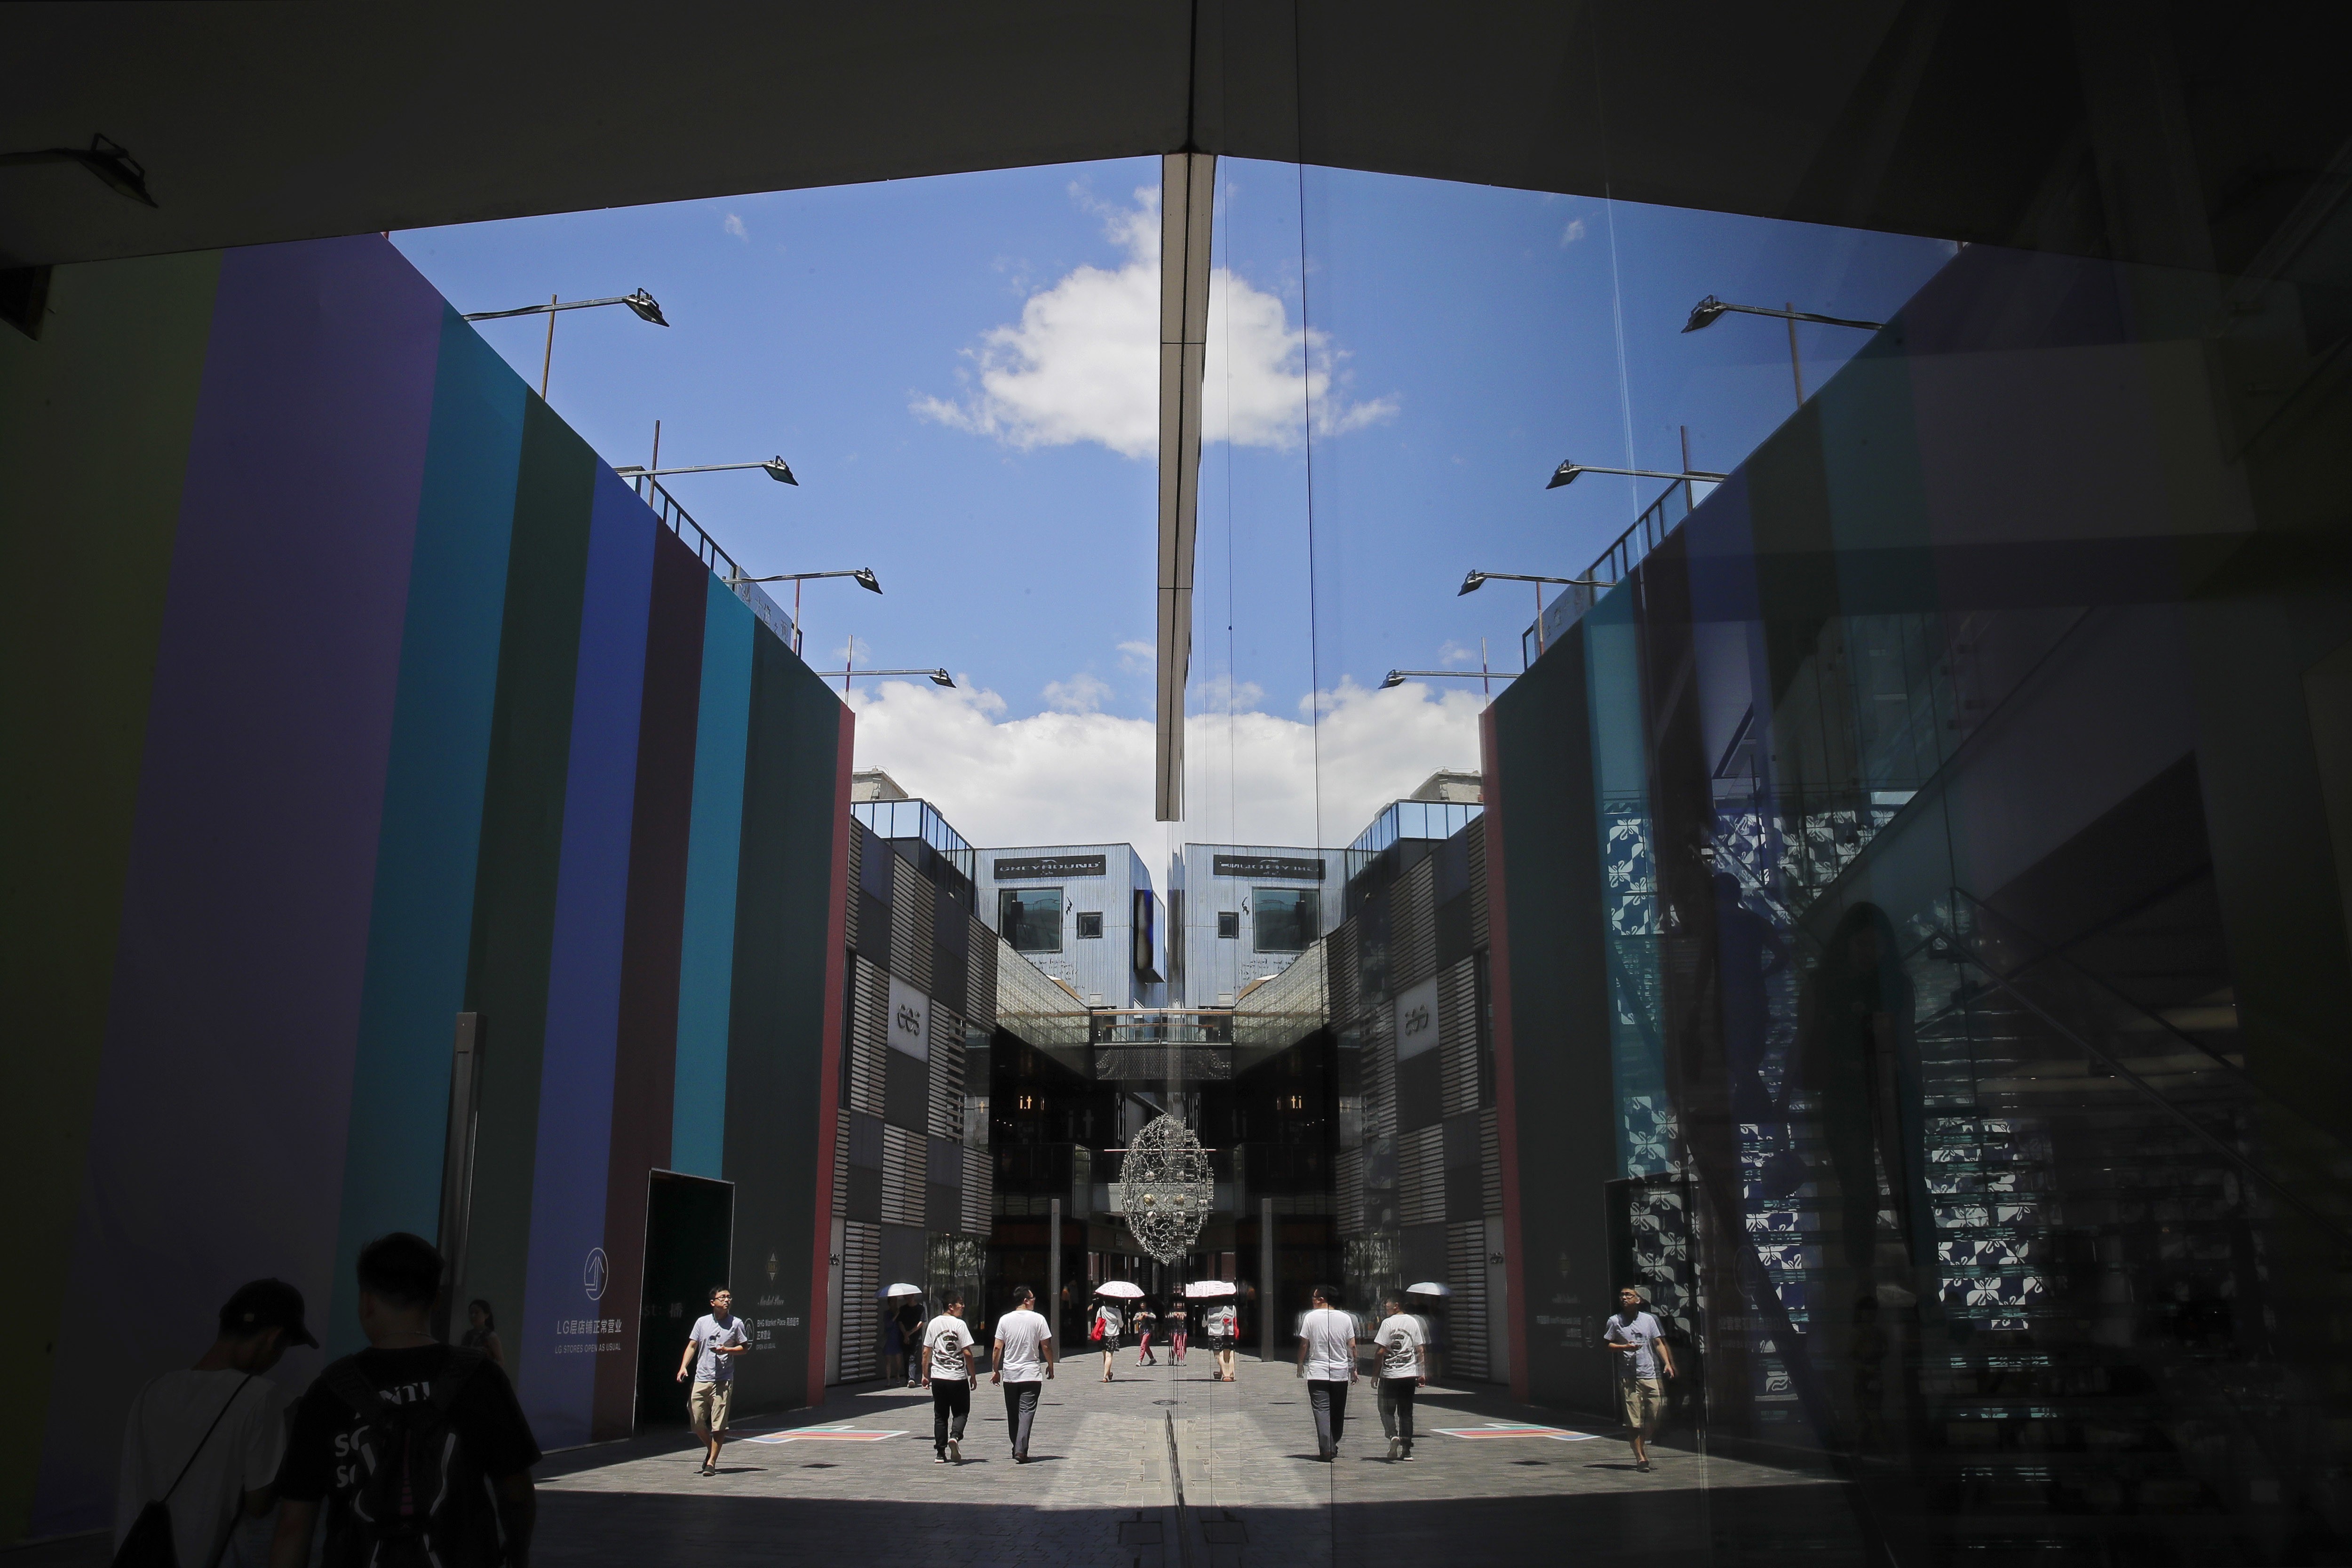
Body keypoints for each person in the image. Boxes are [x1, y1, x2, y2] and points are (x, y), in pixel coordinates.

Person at [270, 1233, 539, 1568]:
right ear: (436, 1300)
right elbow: (515, 1494)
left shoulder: (328, 1390)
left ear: (367, 1301)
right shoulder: (482, 1377)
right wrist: (518, 1550)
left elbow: (293, 1525)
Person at [116, 1279, 314, 1568]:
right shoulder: (260, 1396)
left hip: (133, 1557)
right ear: (275, 1338)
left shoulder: (150, 1391)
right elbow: (259, 1505)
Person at [1605, 1285, 1677, 1473]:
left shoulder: (1649, 1320)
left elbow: (1658, 1342)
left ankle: (1642, 1440)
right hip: (1628, 1377)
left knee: (1656, 1412)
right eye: (1622, 1295)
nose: (1624, 1298)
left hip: (1650, 1374)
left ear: (1638, 1300)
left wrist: (1667, 1363)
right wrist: (1624, 1348)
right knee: (1633, 1421)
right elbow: (1608, 1345)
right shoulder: (1615, 1321)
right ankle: (1641, 1458)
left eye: (1629, 1295)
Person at [676, 1286, 747, 1475]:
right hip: (701, 1378)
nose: (727, 1300)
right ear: (713, 1302)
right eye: (722, 1297)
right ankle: (711, 1449)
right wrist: (684, 1366)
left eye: (729, 1297)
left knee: (719, 1425)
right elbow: (693, 1345)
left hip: (723, 1381)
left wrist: (728, 1350)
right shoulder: (702, 1322)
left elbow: (744, 1348)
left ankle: (712, 1463)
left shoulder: (736, 1324)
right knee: (697, 1421)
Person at [990, 1286, 1055, 1463]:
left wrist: (996, 1370)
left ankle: (1017, 1446)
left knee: (1013, 1413)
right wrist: (1050, 1364)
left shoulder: (1005, 1320)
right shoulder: (1039, 1319)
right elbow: (1046, 1346)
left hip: (1010, 1375)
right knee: (1026, 1411)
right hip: (1031, 1374)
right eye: (1032, 1298)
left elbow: (997, 1347)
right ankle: (1020, 1448)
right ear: (1025, 1301)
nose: (1035, 1301)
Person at [1295, 1285, 1358, 1461]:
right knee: (1338, 1412)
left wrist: (1300, 1363)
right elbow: (1352, 1346)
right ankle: (1331, 1444)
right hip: (1340, 1373)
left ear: (1321, 1299)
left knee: (1322, 1410)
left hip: (1318, 1372)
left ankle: (1327, 1447)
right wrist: (1354, 1369)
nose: (1312, 1301)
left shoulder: (1310, 1318)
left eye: (1314, 1298)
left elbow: (1304, 1344)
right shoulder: (1346, 1319)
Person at [920, 1292, 977, 1464]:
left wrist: (925, 1375)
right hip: (958, 1377)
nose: (963, 1306)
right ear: (950, 1307)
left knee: (940, 1415)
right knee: (961, 1412)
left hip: (938, 1377)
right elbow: (967, 1352)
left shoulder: (933, 1324)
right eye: (960, 1303)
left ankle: (940, 1453)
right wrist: (973, 1375)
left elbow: (926, 1352)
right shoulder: (960, 1325)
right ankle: (955, 1436)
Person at [1370, 1295, 1428, 1461]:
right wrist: (1421, 1372)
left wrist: (1375, 1375)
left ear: (1396, 1305)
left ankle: (1393, 1435)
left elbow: (1380, 1351)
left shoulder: (1388, 1323)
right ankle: (1407, 1450)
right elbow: (1420, 1349)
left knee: (1386, 1410)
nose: (1385, 1306)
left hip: (1390, 1375)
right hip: (1409, 1374)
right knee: (1406, 1412)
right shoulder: (1413, 1322)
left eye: (1387, 1303)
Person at [461, 1299, 505, 1370]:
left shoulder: (491, 1336)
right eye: (471, 1313)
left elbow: (501, 1362)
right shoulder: (466, 1335)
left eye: (477, 1313)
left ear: (486, 1315)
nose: (473, 1316)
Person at [1206, 1297, 1238, 1381]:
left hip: (1215, 1333)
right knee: (1230, 1354)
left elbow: (1206, 1323)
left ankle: (1225, 1375)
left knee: (1219, 1355)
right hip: (1229, 1332)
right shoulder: (1232, 1307)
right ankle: (1231, 1374)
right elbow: (1235, 1320)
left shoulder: (1211, 1309)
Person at [1093, 1295, 1123, 1382]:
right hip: (1113, 1335)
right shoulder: (1117, 1311)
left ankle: (1109, 1373)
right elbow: (1121, 1324)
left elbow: (1097, 1321)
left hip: (1103, 1334)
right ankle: (1105, 1376)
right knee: (1109, 1356)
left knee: (1105, 1356)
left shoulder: (1102, 1309)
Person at [897, 1298, 926, 1388]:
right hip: (904, 1336)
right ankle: (908, 1378)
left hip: (916, 1337)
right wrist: (906, 1334)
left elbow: (921, 1323)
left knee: (913, 1357)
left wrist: (910, 1332)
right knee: (906, 1357)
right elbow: (900, 1322)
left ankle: (911, 1379)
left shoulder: (921, 1308)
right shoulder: (903, 1309)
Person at [1134, 1298, 1158, 1366]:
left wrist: (1147, 1315)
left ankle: (1140, 1361)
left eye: (1143, 1303)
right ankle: (1152, 1359)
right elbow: (1134, 1320)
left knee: (1143, 1345)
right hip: (1141, 1330)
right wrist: (1137, 1319)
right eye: (1141, 1303)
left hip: (1148, 1330)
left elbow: (1154, 1317)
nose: (1142, 1305)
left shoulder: (1149, 1311)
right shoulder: (1138, 1312)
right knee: (1146, 1346)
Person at [1166, 1299, 1189, 1365]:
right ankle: (1176, 1357)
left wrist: (1182, 1315)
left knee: (1182, 1345)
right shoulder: (1172, 1311)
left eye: (1180, 1303)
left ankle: (1182, 1358)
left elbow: (1186, 1315)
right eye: (1177, 1303)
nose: (1179, 1305)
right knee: (1176, 1345)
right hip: (1174, 1331)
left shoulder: (1185, 1311)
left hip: (1183, 1331)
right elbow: (1170, 1316)